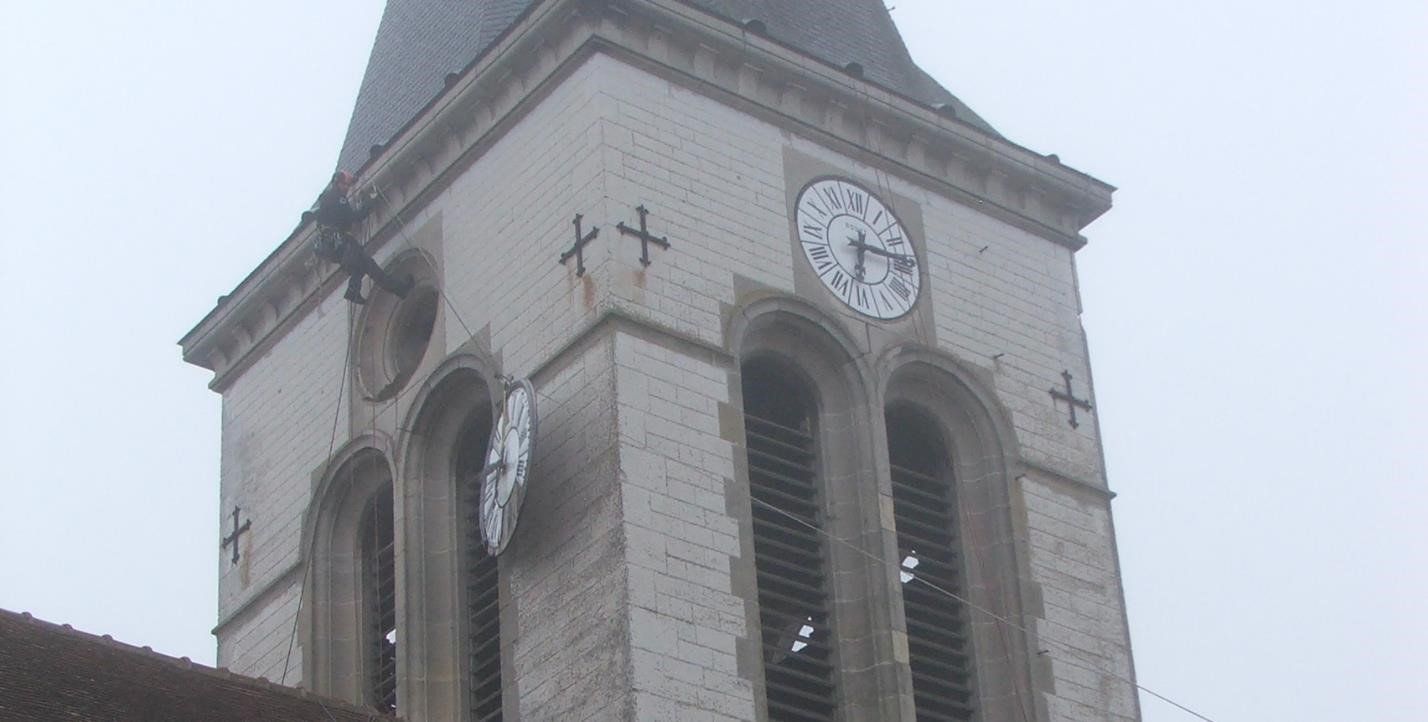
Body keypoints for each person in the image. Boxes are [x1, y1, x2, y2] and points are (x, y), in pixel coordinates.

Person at [311, 171, 413, 304]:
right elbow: (355, 217)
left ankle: (353, 292)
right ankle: (400, 288)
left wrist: (353, 180)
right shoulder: (338, 198)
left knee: (358, 268)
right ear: (339, 184)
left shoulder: (326, 198)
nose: (348, 189)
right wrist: (370, 202)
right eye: (346, 185)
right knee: (371, 267)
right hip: (343, 243)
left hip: (334, 248)